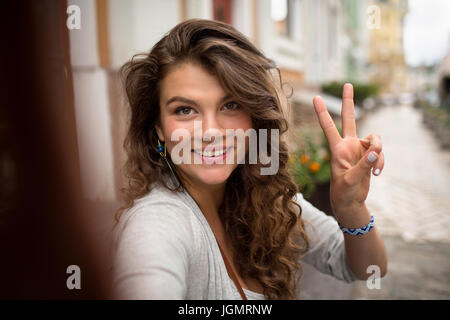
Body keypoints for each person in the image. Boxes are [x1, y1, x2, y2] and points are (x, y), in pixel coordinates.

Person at [111, 19, 387, 300]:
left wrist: (352, 207)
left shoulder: (267, 199)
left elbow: (369, 268)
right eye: (185, 110)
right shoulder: (155, 224)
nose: (211, 132)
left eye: (230, 105)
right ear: (158, 128)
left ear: (254, 117)